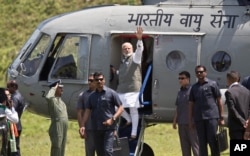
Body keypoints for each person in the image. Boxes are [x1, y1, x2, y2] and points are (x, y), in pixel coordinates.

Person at [80, 72, 124, 156]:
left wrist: (112, 119)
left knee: (108, 151)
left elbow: (121, 108)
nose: (99, 81)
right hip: (96, 129)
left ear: (104, 81)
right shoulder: (91, 96)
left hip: (109, 128)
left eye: (101, 79)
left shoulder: (111, 93)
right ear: (94, 82)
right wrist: (82, 125)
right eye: (97, 80)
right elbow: (87, 111)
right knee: (100, 153)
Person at [189, 65, 224, 156]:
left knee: (212, 140)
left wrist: (221, 117)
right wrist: (191, 119)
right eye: (197, 72)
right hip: (199, 118)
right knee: (202, 142)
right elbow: (191, 104)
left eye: (201, 72)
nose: (199, 74)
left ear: (205, 72)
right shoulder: (194, 87)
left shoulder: (212, 84)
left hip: (211, 117)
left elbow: (219, 100)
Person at [116, 26, 144, 140]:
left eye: (128, 48)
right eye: (125, 49)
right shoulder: (123, 60)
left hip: (133, 88)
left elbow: (139, 51)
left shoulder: (135, 58)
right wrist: (116, 71)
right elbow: (122, 72)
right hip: (122, 88)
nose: (127, 50)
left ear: (132, 49)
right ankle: (128, 119)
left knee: (133, 109)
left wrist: (139, 39)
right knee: (115, 106)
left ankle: (133, 133)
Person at [173, 71, 199, 156]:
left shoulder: (193, 90)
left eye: (182, 78)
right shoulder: (180, 91)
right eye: (179, 78)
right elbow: (178, 107)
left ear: (188, 79)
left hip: (192, 124)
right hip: (182, 124)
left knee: (196, 147)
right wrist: (175, 120)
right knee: (185, 148)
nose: (180, 80)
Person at [225, 71, 250, 139]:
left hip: (235, 126)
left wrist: (242, 122)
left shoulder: (229, 92)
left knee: (237, 148)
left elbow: (232, 109)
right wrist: (247, 121)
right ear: (238, 79)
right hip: (247, 126)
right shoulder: (247, 91)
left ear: (228, 79)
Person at [45, 80, 68, 156]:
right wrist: (53, 88)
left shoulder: (61, 102)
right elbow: (48, 97)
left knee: (62, 146)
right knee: (57, 146)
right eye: (60, 88)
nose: (62, 89)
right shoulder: (52, 100)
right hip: (57, 126)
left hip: (63, 127)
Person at [77, 74, 96, 156]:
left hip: (101, 129)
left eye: (91, 81)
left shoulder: (103, 94)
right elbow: (79, 112)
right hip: (89, 129)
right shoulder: (83, 95)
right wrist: (82, 127)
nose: (89, 82)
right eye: (88, 80)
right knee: (89, 153)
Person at [7, 80, 25, 156]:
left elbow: (12, 111)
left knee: (13, 149)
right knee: (14, 147)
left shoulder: (14, 98)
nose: (7, 89)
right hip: (17, 125)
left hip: (13, 126)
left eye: (8, 87)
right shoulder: (19, 95)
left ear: (13, 87)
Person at [0, 88, 19, 156]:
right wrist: (12, 109)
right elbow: (15, 119)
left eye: (9, 95)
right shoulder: (4, 108)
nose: (9, 97)